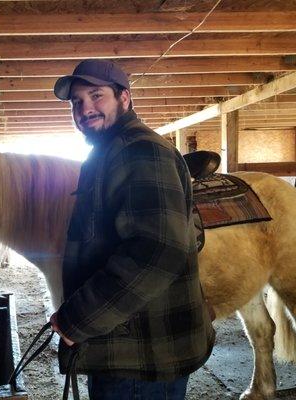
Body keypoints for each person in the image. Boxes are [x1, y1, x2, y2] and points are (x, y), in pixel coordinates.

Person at [49, 59, 215, 400]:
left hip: (141, 355)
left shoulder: (138, 150)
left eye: (96, 96)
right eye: (77, 102)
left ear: (124, 98)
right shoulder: (112, 151)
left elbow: (155, 253)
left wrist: (77, 319)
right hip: (133, 344)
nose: (85, 108)